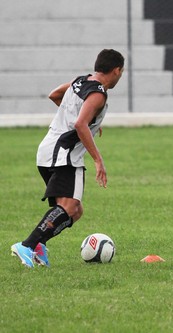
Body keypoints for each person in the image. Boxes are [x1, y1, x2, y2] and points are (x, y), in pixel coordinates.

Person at [11, 49, 125, 267]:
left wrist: (89, 122)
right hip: (65, 154)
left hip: (46, 151)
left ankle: (38, 246)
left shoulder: (80, 81)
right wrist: (98, 159)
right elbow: (80, 124)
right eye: (121, 72)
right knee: (70, 206)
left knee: (74, 210)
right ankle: (27, 245)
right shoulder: (98, 93)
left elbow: (54, 95)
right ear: (117, 70)